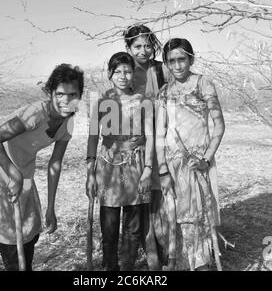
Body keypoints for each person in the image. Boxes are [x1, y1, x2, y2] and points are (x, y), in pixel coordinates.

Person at [0, 64, 83, 271]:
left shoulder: (68, 122)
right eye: (60, 94)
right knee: (12, 246)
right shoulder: (35, 114)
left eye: (73, 94)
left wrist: (51, 207)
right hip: (0, 172)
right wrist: (13, 173)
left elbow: (55, 163)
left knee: (29, 238)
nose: (66, 101)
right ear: (50, 92)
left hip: (25, 173)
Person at [156, 38, 225, 271]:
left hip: (198, 165)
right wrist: (163, 170)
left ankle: (202, 265)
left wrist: (206, 159)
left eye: (181, 59)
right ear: (166, 63)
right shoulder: (164, 93)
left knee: (199, 220)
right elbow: (158, 134)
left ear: (191, 59)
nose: (177, 66)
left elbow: (219, 126)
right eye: (171, 61)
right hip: (173, 166)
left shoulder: (204, 84)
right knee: (177, 222)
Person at [86, 52, 154, 271]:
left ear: (133, 74)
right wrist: (90, 171)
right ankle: (109, 268)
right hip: (108, 167)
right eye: (118, 71)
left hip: (136, 165)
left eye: (127, 71)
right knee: (109, 226)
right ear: (110, 74)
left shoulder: (144, 101)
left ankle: (127, 269)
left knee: (133, 228)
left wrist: (148, 169)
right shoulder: (102, 102)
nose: (123, 75)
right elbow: (93, 137)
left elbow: (152, 137)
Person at [123, 24, 171, 270]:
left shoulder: (162, 70)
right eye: (137, 46)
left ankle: (164, 255)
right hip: (134, 149)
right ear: (128, 48)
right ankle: (137, 258)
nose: (143, 51)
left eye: (147, 45)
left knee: (161, 200)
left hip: (161, 144)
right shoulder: (124, 71)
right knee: (137, 203)